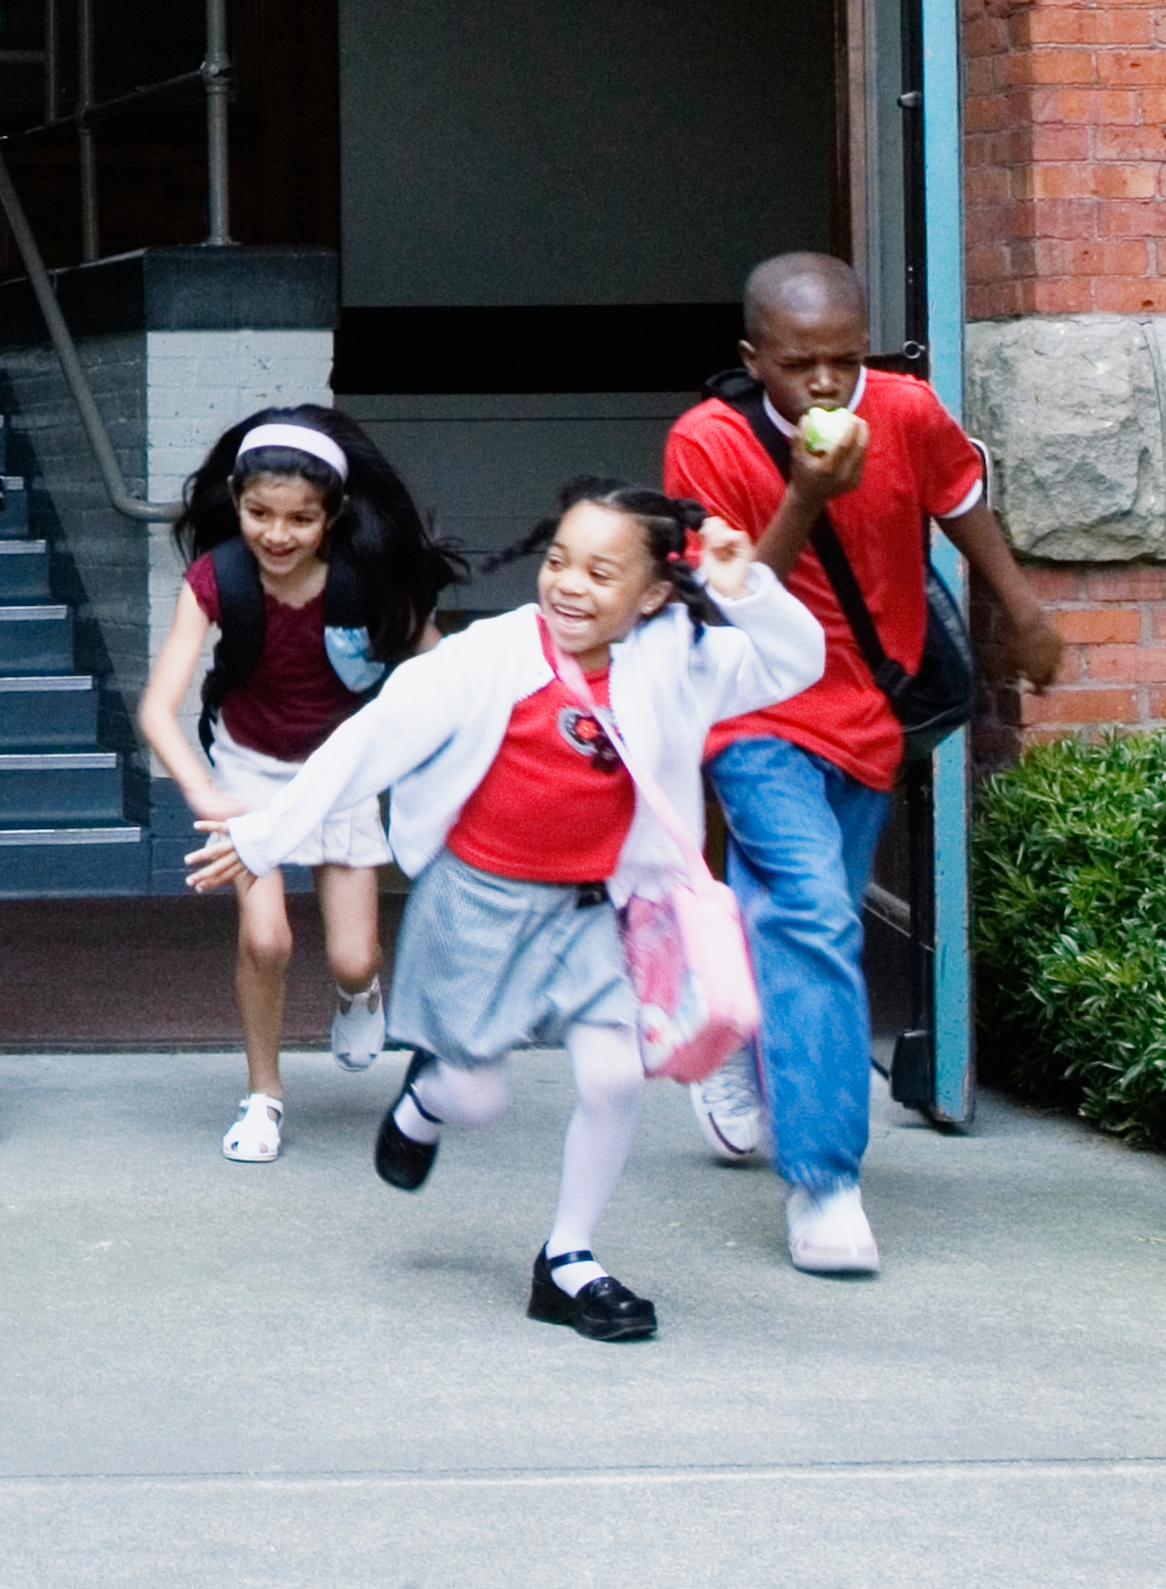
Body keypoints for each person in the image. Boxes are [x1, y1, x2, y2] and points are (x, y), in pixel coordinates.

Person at [192, 478, 822, 1343]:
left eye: (603, 574)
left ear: (653, 596)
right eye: (558, 560)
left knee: (611, 1075)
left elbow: (797, 665)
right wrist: (265, 835)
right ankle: (426, 1104)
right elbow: (369, 746)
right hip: (476, 907)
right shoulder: (489, 657)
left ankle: (568, 1261)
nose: (569, 585)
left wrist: (745, 584)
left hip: (593, 912)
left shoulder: (677, 657)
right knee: (479, 1099)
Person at [663, 248, 1071, 1276]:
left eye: (844, 360)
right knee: (809, 913)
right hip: (754, 716)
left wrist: (1019, 608)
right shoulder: (704, 445)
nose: (827, 385)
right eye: (800, 364)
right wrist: (803, 494)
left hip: (868, 715)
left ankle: (749, 1046)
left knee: (811, 922)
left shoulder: (905, 408)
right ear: (753, 357)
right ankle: (825, 1180)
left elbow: (957, 493)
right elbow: (728, 597)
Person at [133, 402, 453, 1160]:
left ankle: (359, 995)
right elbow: (157, 708)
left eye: (300, 519)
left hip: (342, 770)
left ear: (334, 516)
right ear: (237, 506)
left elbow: (442, 678)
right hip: (248, 769)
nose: (277, 535)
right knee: (268, 937)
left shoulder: (369, 578)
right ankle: (264, 1097)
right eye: (258, 513)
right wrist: (204, 793)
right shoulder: (217, 578)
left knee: (354, 956)